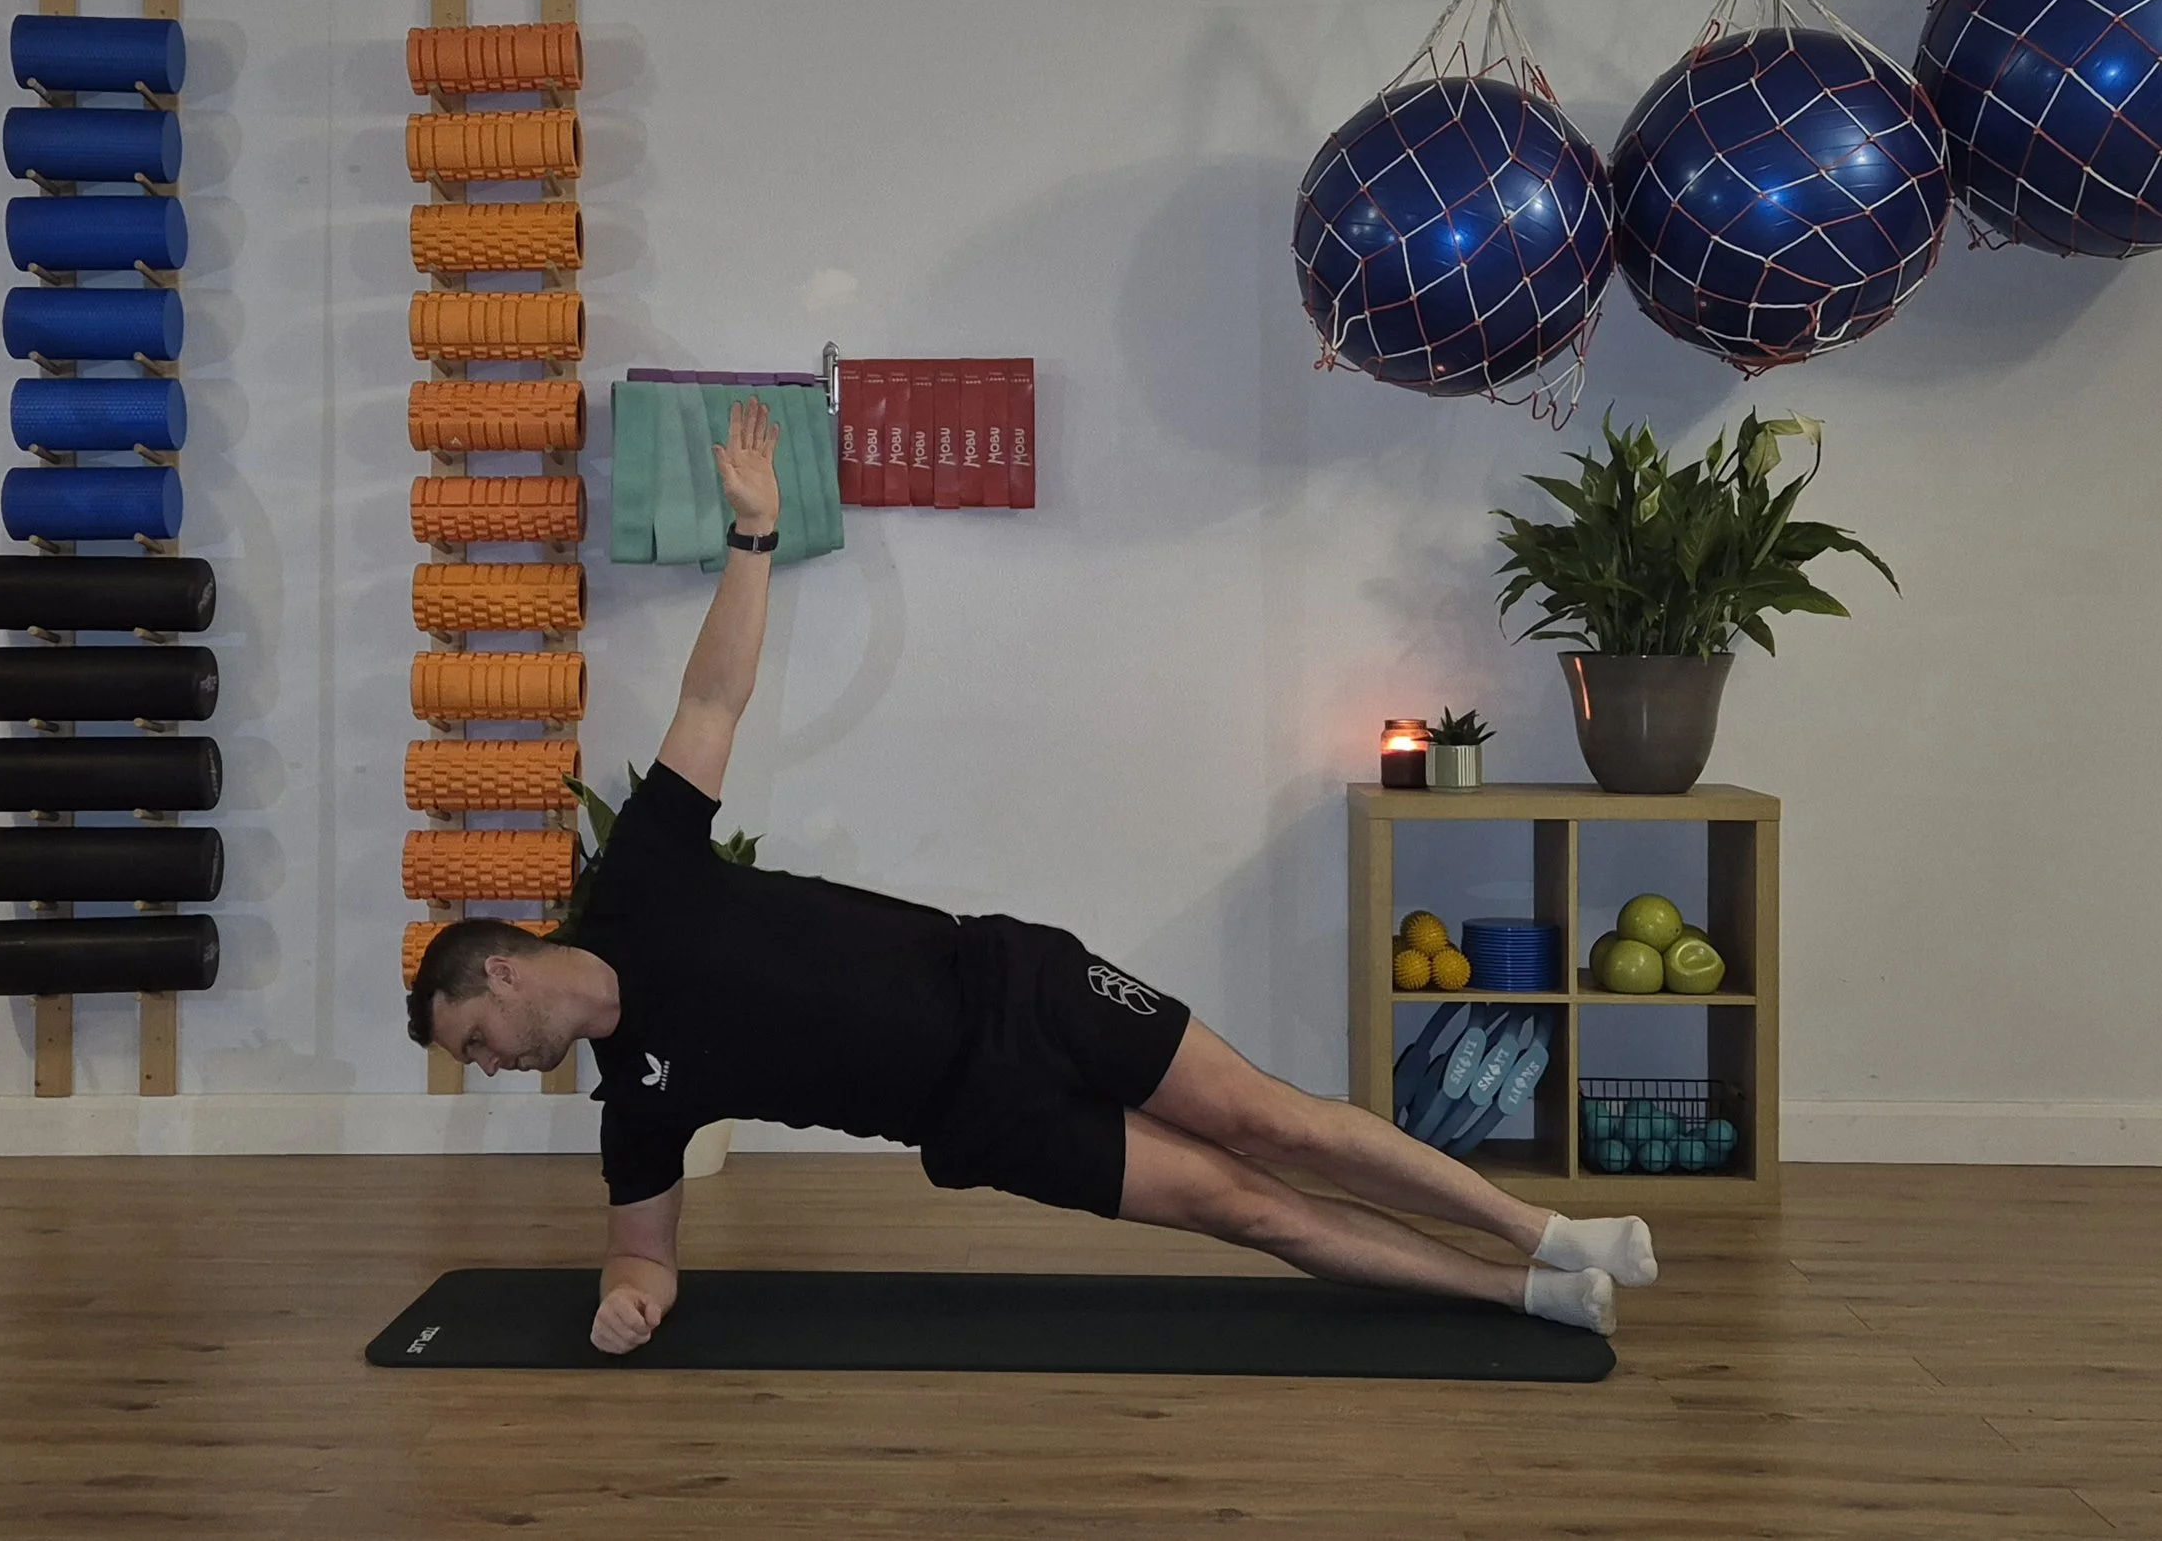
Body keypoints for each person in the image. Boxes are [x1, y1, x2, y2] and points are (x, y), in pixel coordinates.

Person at [407, 398, 1658, 1356]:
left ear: (505, 966)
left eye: (477, 1037)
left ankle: (1545, 1231)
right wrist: (628, 1305)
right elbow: (645, 1261)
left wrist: (752, 532)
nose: (493, 1065)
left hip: (1017, 981)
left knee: (1270, 1121)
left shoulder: (639, 877)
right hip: (981, 1120)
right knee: (1244, 1208)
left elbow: (713, 695)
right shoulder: (633, 1102)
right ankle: (1526, 1295)